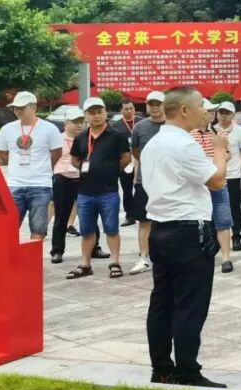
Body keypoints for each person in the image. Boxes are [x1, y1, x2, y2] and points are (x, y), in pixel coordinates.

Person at [141, 87, 228, 388]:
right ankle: (188, 371)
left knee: (162, 302)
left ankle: (162, 369)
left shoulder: (153, 143)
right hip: (189, 231)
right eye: (202, 106)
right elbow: (217, 180)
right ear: (184, 110)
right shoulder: (184, 144)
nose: (206, 112)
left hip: (160, 229)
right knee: (190, 304)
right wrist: (219, 150)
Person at [66, 98, 131, 279]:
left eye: (99, 112)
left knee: (111, 228)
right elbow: (75, 160)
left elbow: (125, 158)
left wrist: (110, 169)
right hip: (85, 192)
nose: (96, 116)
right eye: (92, 113)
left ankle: (115, 262)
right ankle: (85, 264)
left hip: (108, 191)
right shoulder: (81, 137)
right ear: (85, 116)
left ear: (105, 113)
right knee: (86, 230)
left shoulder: (116, 135)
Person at [0, 91, 63, 241]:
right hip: (15, 185)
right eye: (16, 108)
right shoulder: (7, 129)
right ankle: (11, 256)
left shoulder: (49, 128)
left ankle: (35, 255)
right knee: (9, 227)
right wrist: (15, 164)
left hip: (40, 185)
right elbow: (2, 152)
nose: (18, 111)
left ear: (33, 107)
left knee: (38, 228)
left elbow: (57, 152)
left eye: (22, 108)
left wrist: (46, 167)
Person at [190, 102, 236, 274]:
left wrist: (221, 156)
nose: (210, 114)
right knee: (197, 222)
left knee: (223, 220)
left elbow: (228, 153)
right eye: (207, 111)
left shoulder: (217, 133)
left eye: (212, 111)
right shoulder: (189, 134)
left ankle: (226, 258)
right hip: (197, 185)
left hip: (218, 182)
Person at [129, 91, 167, 276]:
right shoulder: (139, 127)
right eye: (151, 104)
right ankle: (144, 257)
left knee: (168, 220)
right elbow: (135, 151)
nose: (155, 107)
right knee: (144, 221)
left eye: (158, 104)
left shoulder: (174, 125)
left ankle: (166, 256)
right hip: (145, 181)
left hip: (169, 182)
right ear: (146, 106)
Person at [50, 107, 86, 264]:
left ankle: (94, 247)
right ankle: (57, 251)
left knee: (89, 215)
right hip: (63, 179)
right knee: (61, 217)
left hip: (83, 178)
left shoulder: (86, 138)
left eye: (81, 122)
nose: (79, 125)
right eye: (75, 122)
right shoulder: (57, 139)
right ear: (66, 123)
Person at [216, 102, 241, 252]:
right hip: (216, 175)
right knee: (216, 206)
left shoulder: (239, 131)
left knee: (234, 207)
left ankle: (236, 237)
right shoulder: (212, 130)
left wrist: (238, 168)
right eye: (221, 112)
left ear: (233, 115)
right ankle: (216, 239)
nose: (224, 116)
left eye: (227, 113)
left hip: (233, 175)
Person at [112, 98, 142, 227]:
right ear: (121, 110)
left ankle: (143, 213)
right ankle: (130, 216)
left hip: (141, 159)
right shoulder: (116, 126)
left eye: (131, 108)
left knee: (142, 188)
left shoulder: (142, 122)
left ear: (134, 109)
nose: (129, 111)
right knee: (127, 189)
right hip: (126, 160)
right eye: (126, 109)